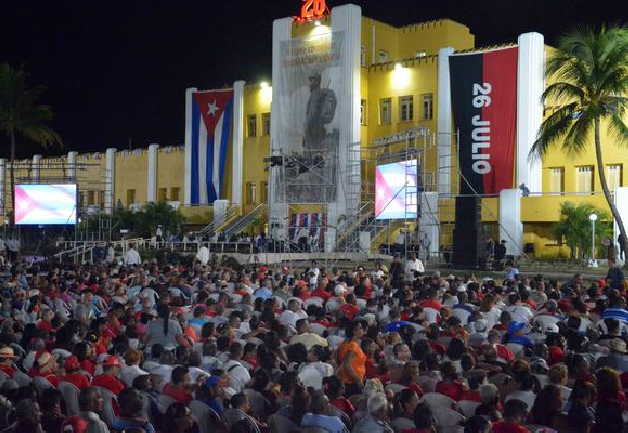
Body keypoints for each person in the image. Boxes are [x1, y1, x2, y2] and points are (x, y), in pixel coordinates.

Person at [337, 321, 367, 396]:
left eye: (361, 328)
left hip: (345, 381)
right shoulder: (353, 345)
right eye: (359, 328)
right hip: (352, 383)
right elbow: (346, 364)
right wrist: (358, 380)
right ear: (353, 331)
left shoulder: (344, 343)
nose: (361, 330)